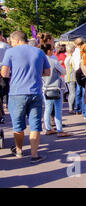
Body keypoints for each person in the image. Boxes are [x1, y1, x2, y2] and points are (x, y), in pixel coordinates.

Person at [1, 31, 51, 163]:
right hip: (35, 92)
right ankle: (35, 154)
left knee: (18, 125)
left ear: (15, 40)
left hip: (17, 93)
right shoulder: (39, 52)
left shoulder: (10, 52)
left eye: (11, 42)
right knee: (35, 125)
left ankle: (18, 150)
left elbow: (4, 73)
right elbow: (47, 72)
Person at [41, 44, 71, 138]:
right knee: (58, 110)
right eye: (52, 49)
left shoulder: (40, 60)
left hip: (45, 88)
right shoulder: (53, 60)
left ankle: (48, 128)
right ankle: (59, 130)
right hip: (55, 88)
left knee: (47, 109)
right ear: (49, 51)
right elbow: (63, 71)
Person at [72, 38, 85, 116]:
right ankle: (83, 110)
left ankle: (77, 108)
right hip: (82, 71)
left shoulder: (74, 53)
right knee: (83, 91)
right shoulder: (82, 52)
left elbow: (73, 62)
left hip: (76, 71)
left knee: (78, 90)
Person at [64, 44, 77, 114]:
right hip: (72, 77)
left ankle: (71, 107)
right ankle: (71, 108)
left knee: (70, 93)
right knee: (73, 93)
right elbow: (75, 67)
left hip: (67, 77)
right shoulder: (71, 58)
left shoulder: (66, 58)